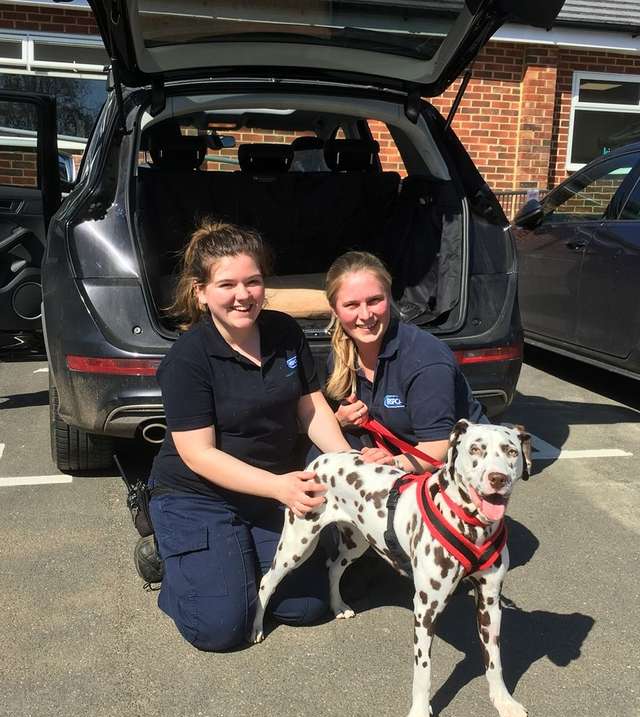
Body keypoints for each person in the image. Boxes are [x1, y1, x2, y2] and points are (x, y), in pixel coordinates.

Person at [148, 220, 354, 652]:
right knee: (222, 627)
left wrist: (349, 461)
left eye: (253, 281)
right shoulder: (188, 359)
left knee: (306, 607)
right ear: (201, 292)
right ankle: (172, 563)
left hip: (266, 492)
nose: (243, 295)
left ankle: (229, 558)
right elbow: (199, 455)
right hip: (197, 496)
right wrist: (280, 487)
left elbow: (311, 408)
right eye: (227, 284)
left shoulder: (285, 333)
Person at [324, 251, 486, 472]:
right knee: (321, 453)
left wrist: (393, 463)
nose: (365, 315)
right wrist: (340, 420)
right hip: (395, 456)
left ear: (389, 297)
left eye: (374, 301)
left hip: (455, 467)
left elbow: (439, 446)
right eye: (352, 305)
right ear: (334, 310)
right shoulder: (340, 355)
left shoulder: (425, 358)